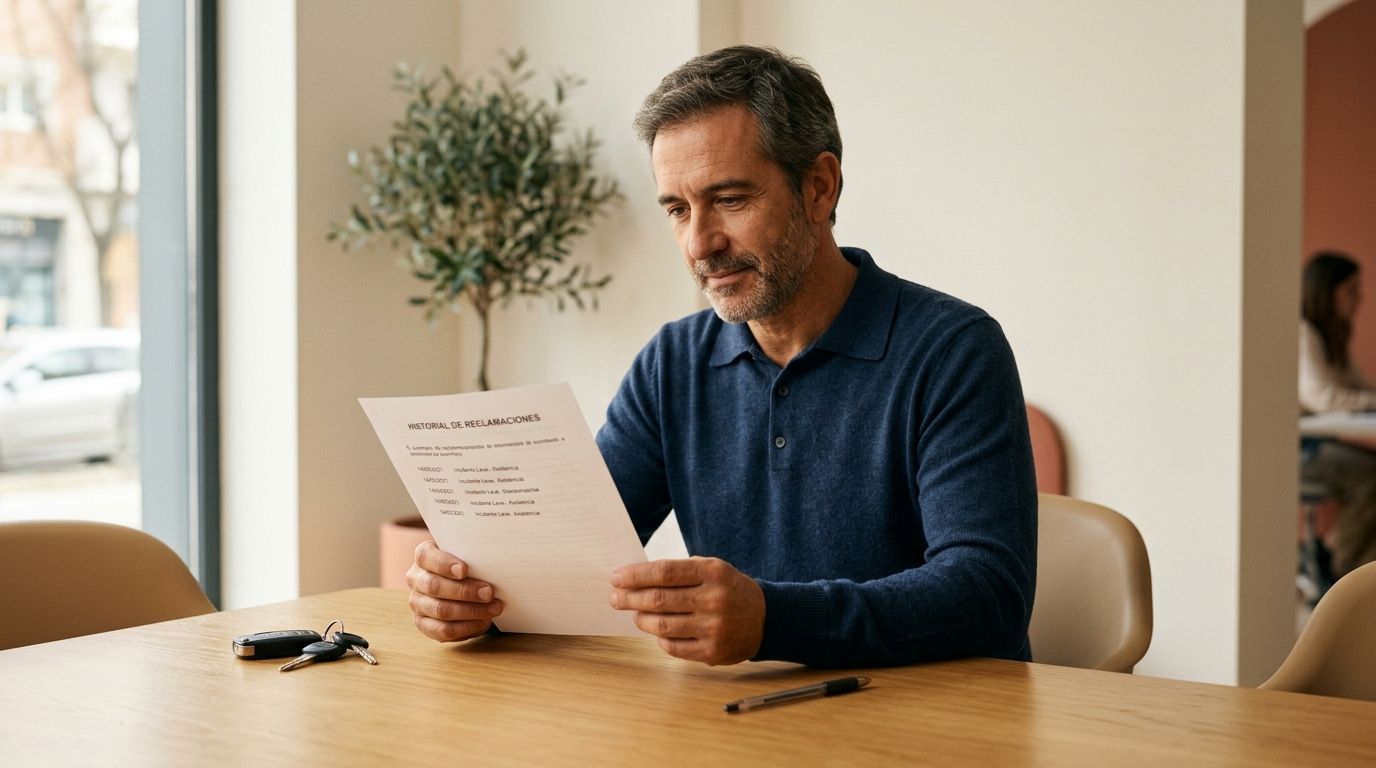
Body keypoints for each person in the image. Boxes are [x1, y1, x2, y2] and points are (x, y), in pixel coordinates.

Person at [407, 46, 1037, 667]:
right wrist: (474, 596)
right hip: (741, 720)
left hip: (933, 727)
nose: (699, 243)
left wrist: (771, 619)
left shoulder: (954, 350)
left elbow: (988, 593)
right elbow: (571, 560)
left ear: (819, 187)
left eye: (730, 200)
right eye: (678, 210)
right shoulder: (672, 364)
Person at [1300, 251, 1376, 575]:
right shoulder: (1303, 334)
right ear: (1326, 292)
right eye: (1351, 290)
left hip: (1319, 446)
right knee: (1372, 479)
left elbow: (1361, 388)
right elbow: (1321, 398)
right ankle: (1345, 579)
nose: (1359, 299)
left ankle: (1347, 568)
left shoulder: (1334, 337)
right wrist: (1367, 402)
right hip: (1299, 452)